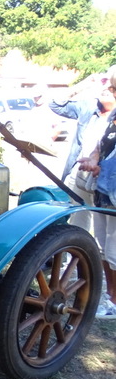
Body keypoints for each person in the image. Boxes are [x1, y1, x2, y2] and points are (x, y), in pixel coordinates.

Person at [49, 70, 116, 236]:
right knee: (82, 227)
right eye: (104, 83)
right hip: (83, 175)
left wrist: (102, 168)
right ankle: (75, 258)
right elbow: (55, 104)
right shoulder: (90, 108)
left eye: (111, 86)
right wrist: (84, 84)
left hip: (108, 181)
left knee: (111, 245)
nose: (106, 88)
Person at [76, 68, 116, 320]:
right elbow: (101, 147)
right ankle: (112, 298)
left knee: (115, 250)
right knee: (103, 247)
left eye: (113, 88)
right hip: (104, 191)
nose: (111, 92)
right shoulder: (113, 116)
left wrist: (102, 167)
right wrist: (93, 159)